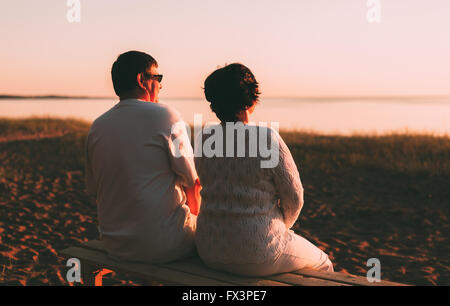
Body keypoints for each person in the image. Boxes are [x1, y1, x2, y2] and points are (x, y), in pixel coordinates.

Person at [194, 63, 333, 276]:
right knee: (324, 263)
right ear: (252, 98)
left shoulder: (204, 138)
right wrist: (281, 227)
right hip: (259, 253)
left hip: (209, 250)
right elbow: (295, 197)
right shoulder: (266, 139)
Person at [85, 51, 201, 264]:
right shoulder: (166, 115)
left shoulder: (97, 126)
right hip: (167, 245)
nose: (160, 85)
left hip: (115, 245)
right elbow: (193, 184)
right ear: (142, 80)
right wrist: (196, 221)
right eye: (158, 78)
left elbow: (94, 190)